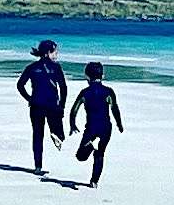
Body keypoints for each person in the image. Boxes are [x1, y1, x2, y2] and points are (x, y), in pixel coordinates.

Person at [14, 40, 70, 173]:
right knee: (58, 132)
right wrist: (62, 105)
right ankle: (56, 135)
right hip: (52, 104)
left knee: (37, 135)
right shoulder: (56, 68)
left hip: (36, 105)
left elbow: (20, 85)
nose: (57, 53)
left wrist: (29, 98)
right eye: (55, 50)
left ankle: (38, 167)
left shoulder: (32, 67)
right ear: (48, 52)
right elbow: (63, 88)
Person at [72, 63, 125, 183]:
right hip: (106, 127)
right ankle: (94, 182)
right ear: (102, 75)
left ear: (87, 76)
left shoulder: (85, 93)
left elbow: (74, 109)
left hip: (91, 127)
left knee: (81, 156)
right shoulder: (108, 92)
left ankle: (90, 147)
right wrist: (119, 124)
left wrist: (72, 124)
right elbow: (114, 109)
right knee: (100, 154)